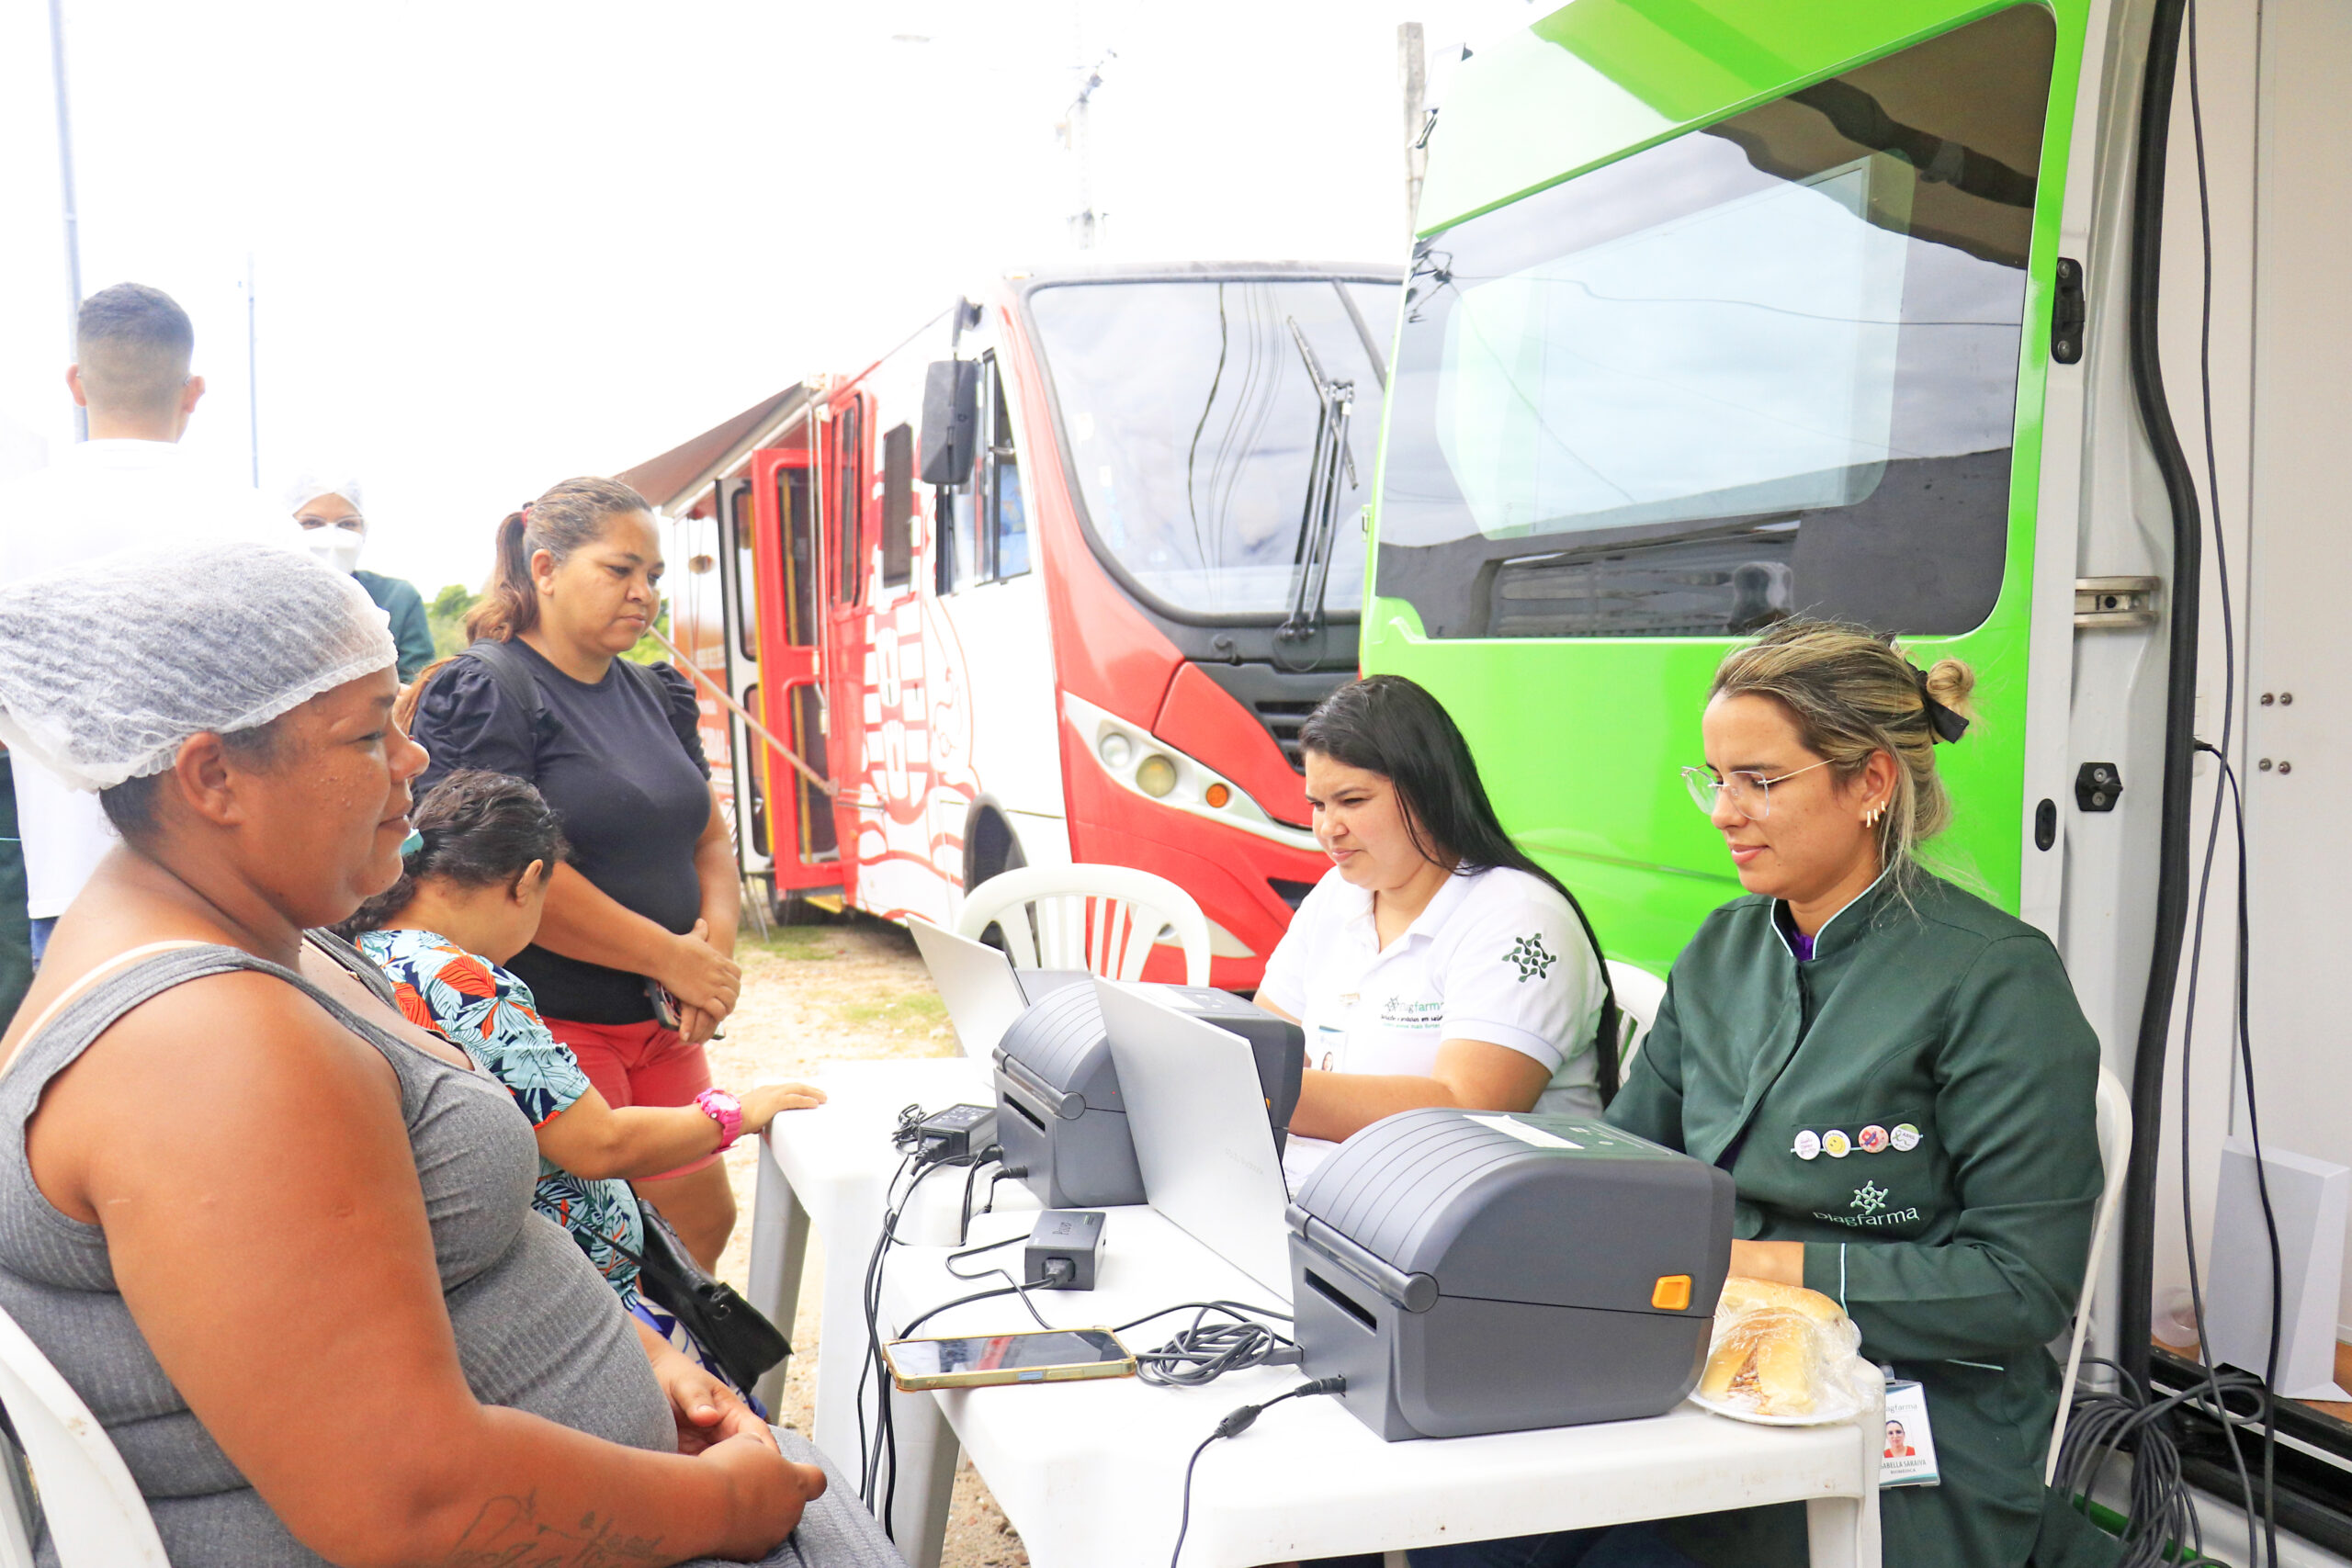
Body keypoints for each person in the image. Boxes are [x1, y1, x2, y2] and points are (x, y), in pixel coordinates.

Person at [0, 541, 901, 1566]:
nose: (413, 757)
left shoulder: (261, 937)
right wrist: (733, 1508)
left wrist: (640, 1353)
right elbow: (414, 1507)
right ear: (213, 776)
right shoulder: (202, 1051)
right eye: (364, 734)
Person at [1415, 620, 2113, 1568]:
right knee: (1462, 1529)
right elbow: (1624, 1172)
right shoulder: (1723, 950)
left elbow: (2020, 1286)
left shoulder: (1994, 979)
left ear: (1869, 783)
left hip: (1902, 1406)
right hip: (1700, 1364)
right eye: (1715, 779)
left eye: (1761, 781)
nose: (1724, 811)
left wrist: (1745, 1265)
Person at [336, 767, 826, 1391]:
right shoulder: (465, 983)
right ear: (529, 881)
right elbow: (600, 1143)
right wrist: (738, 1112)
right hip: (566, 1306)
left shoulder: (359, 951)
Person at [406, 477, 749, 1268]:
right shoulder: (486, 690)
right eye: (620, 570)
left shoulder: (655, 691)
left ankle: (683, 1388)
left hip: (662, 1024)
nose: (644, 594)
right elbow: (500, 875)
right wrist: (671, 958)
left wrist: (712, 961)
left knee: (700, 1227)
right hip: (549, 1019)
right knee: (587, 1256)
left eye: (655, 577)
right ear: (547, 568)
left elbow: (710, 839)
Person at [0, 283, 280, 971]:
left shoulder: (14, 519)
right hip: (229, 886)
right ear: (193, 391)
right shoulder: (255, 522)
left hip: (71, 891)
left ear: (76, 384)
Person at [1254, 675, 1613, 1184]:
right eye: (1318, 804)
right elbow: (1267, 1042)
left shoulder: (1522, 919)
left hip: (1476, 1219)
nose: (1329, 828)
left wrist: (1268, 1091)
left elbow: (1466, 1110)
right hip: (1330, 1195)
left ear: (1427, 791)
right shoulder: (1339, 894)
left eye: (1352, 801)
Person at [287, 470, 435, 680]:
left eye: (347, 524)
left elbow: (415, 689)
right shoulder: (264, 605)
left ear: (363, 530)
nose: (331, 536)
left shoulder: (398, 598)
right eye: (312, 522)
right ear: (285, 527)